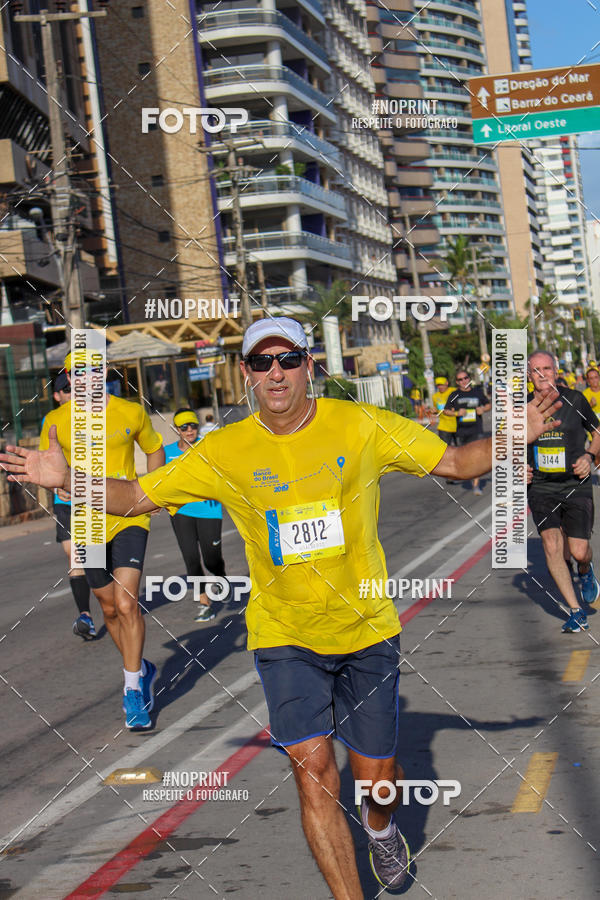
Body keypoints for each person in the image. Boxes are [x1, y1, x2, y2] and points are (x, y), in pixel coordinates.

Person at [1, 318, 560, 898]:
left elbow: (457, 462)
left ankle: (380, 827)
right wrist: (70, 479)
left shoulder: (359, 425)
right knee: (313, 773)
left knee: (378, 783)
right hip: (283, 636)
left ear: (308, 366)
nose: (276, 372)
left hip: (367, 629)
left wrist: (512, 434)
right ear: (245, 372)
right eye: (262, 362)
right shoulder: (225, 448)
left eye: (288, 360)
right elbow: (138, 496)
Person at [39, 351, 165, 729]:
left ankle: (132, 689)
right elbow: (49, 465)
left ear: (105, 372)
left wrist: (153, 491)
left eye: (93, 369)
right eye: (77, 372)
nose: (86, 377)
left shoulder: (131, 412)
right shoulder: (56, 421)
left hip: (129, 516)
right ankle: (139, 667)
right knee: (108, 608)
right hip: (87, 523)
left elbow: (154, 448)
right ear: (68, 377)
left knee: (126, 603)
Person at [528, 350, 600, 632]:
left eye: (547, 368)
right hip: (541, 486)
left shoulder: (575, 400)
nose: (542, 374)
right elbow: (506, 444)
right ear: (529, 375)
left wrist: (589, 457)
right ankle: (576, 611)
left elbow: (597, 432)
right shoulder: (522, 407)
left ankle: (584, 569)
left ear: (556, 371)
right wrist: (517, 467)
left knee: (579, 551)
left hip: (574, 484)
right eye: (536, 370)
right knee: (551, 544)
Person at [45, 372, 95, 639]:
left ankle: (113, 607)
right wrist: (56, 487)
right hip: (64, 500)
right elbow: (44, 461)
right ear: (56, 396)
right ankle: (85, 616)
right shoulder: (50, 421)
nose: (71, 393)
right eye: (66, 390)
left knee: (97, 559)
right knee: (75, 556)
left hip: (94, 496)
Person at [164, 408, 226, 622]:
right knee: (191, 558)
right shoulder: (167, 453)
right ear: (176, 429)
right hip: (181, 511)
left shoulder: (207, 446)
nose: (190, 430)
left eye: (193, 426)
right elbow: (160, 480)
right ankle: (204, 602)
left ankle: (220, 574)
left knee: (211, 557)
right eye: (184, 427)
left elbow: (222, 473)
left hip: (209, 509)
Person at [443, 369, 491, 496]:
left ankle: (476, 485)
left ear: (469, 379)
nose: (464, 381)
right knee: (464, 459)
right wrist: (456, 413)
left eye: (465, 378)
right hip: (461, 431)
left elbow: (488, 405)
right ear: (457, 382)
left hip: (476, 429)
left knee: (477, 458)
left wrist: (483, 409)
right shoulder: (455, 395)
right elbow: (446, 410)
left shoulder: (477, 392)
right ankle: (463, 475)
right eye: (460, 379)